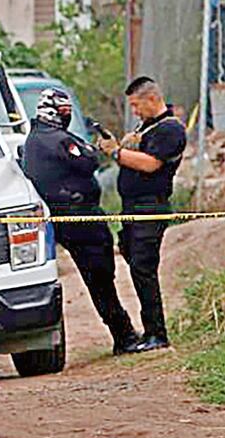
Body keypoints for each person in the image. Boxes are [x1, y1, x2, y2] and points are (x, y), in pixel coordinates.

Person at [22, 89, 140, 355]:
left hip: (68, 218)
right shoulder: (55, 139)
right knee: (101, 279)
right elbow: (88, 162)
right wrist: (95, 151)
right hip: (81, 219)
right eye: (64, 111)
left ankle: (124, 333)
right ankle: (125, 336)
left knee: (99, 278)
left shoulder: (37, 138)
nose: (67, 115)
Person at [99, 76, 187, 352]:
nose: (134, 112)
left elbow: (151, 165)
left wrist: (116, 154)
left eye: (137, 105)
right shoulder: (148, 127)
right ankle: (150, 331)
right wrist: (121, 145)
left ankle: (156, 334)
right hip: (132, 208)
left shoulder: (170, 130)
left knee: (143, 267)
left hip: (150, 207)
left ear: (152, 99)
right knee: (133, 259)